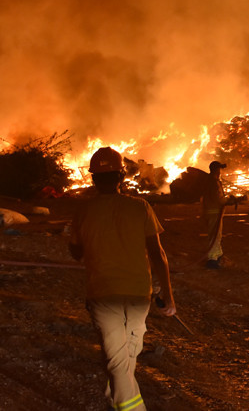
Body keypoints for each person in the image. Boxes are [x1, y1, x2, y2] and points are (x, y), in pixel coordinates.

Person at [69, 147, 176, 411]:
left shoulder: (83, 211)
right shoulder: (141, 207)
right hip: (139, 294)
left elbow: (76, 253)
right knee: (123, 358)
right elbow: (158, 254)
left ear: (93, 179)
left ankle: (117, 394)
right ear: (121, 177)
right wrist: (169, 295)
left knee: (124, 357)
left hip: (104, 294)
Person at [202, 160, 228, 269]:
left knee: (216, 235)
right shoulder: (214, 182)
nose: (220, 172)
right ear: (216, 170)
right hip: (214, 212)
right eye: (220, 169)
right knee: (215, 236)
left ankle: (218, 255)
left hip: (211, 211)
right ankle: (212, 260)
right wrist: (228, 200)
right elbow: (218, 199)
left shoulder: (208, 180)